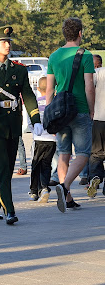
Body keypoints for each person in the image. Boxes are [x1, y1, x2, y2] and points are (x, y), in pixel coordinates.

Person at [0, 25, 43, 224]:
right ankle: (9, 210)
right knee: (1, 168)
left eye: (9, 41)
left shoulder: (19, 70)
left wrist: (36, 119)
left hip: (13, 123)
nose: (7, 44)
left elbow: (28, 96)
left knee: (6, 169)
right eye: (3, 42)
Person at [46, 17, 95, 213]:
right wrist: (92, 109)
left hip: (60, 112)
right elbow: (89, 87)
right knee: (83, 154)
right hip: (80, 109)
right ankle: (64, 187)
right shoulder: (86, 55)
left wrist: (49, 115)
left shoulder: (54, 56)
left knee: (63, 154)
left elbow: (49, 89)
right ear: (80, 33)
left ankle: (67, 198)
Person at [28, 77, 56, 202]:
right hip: (52, 140)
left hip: (38, 139)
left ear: (38, 89)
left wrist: (35, 131)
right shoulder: (54, 103)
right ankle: (44, 187)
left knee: (35, 164)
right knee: (46, 164)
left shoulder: (35, 104)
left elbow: (30, 122)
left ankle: (34, 191)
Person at [87, 55, 105, 197]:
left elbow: (89, 91)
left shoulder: (96, 74)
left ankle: (94, 177)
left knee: (96, 153)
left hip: (98, 118)